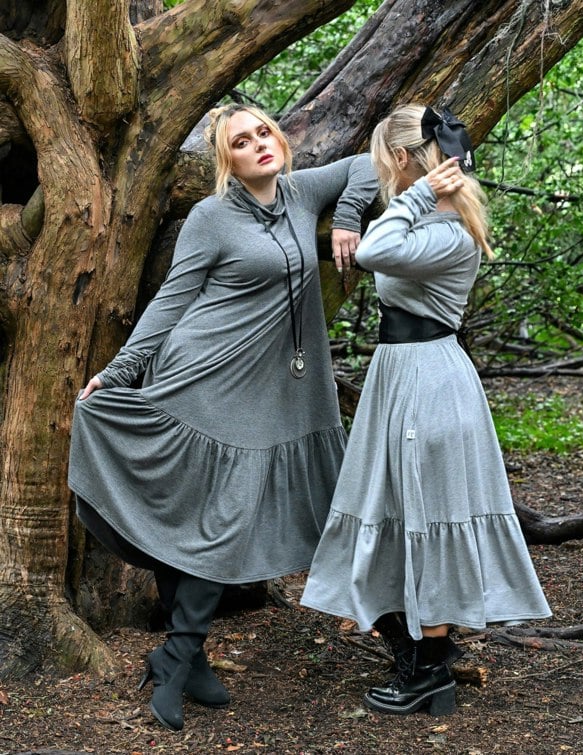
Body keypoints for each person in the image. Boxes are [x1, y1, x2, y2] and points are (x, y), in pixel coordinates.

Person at [68, 104, 379, 731]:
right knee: (208, 518)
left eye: (265, 132)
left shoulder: (301, 191)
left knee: (213, 519)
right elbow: (170, 302)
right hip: (203, 379)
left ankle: (181, 656)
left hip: (269, 391)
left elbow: (373, 163)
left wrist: (346, 217)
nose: (260, 145)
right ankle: (180, 655)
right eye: (242, 142)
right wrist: (121, 371)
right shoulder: (211, 218)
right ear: (226, 161)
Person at [301, 103, 551, 716]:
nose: (381, 172)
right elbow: (366, 195)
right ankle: (417, 659)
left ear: (409, 161)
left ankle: (430, 674)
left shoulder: (441, 229)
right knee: (398, 509)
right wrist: (358, 210)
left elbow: (373, 253)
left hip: (428, 383)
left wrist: (411, 200)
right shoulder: (426, 218)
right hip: (403, 376)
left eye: (390, 161)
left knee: (427, 514)